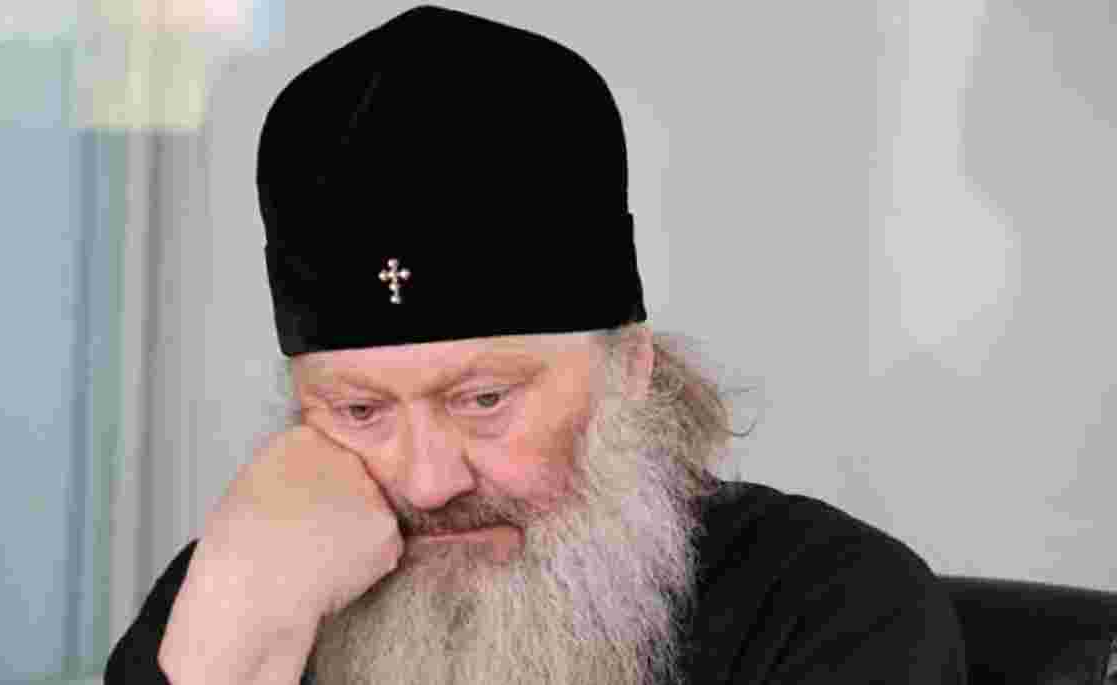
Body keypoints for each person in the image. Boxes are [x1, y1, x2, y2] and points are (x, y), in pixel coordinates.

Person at [105, 5, 968, 684]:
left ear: (630, 369)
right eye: (361, 410)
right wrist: (231, 644)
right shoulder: (238, 589)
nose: (426, 481)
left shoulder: (831, 607)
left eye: (483, 399)